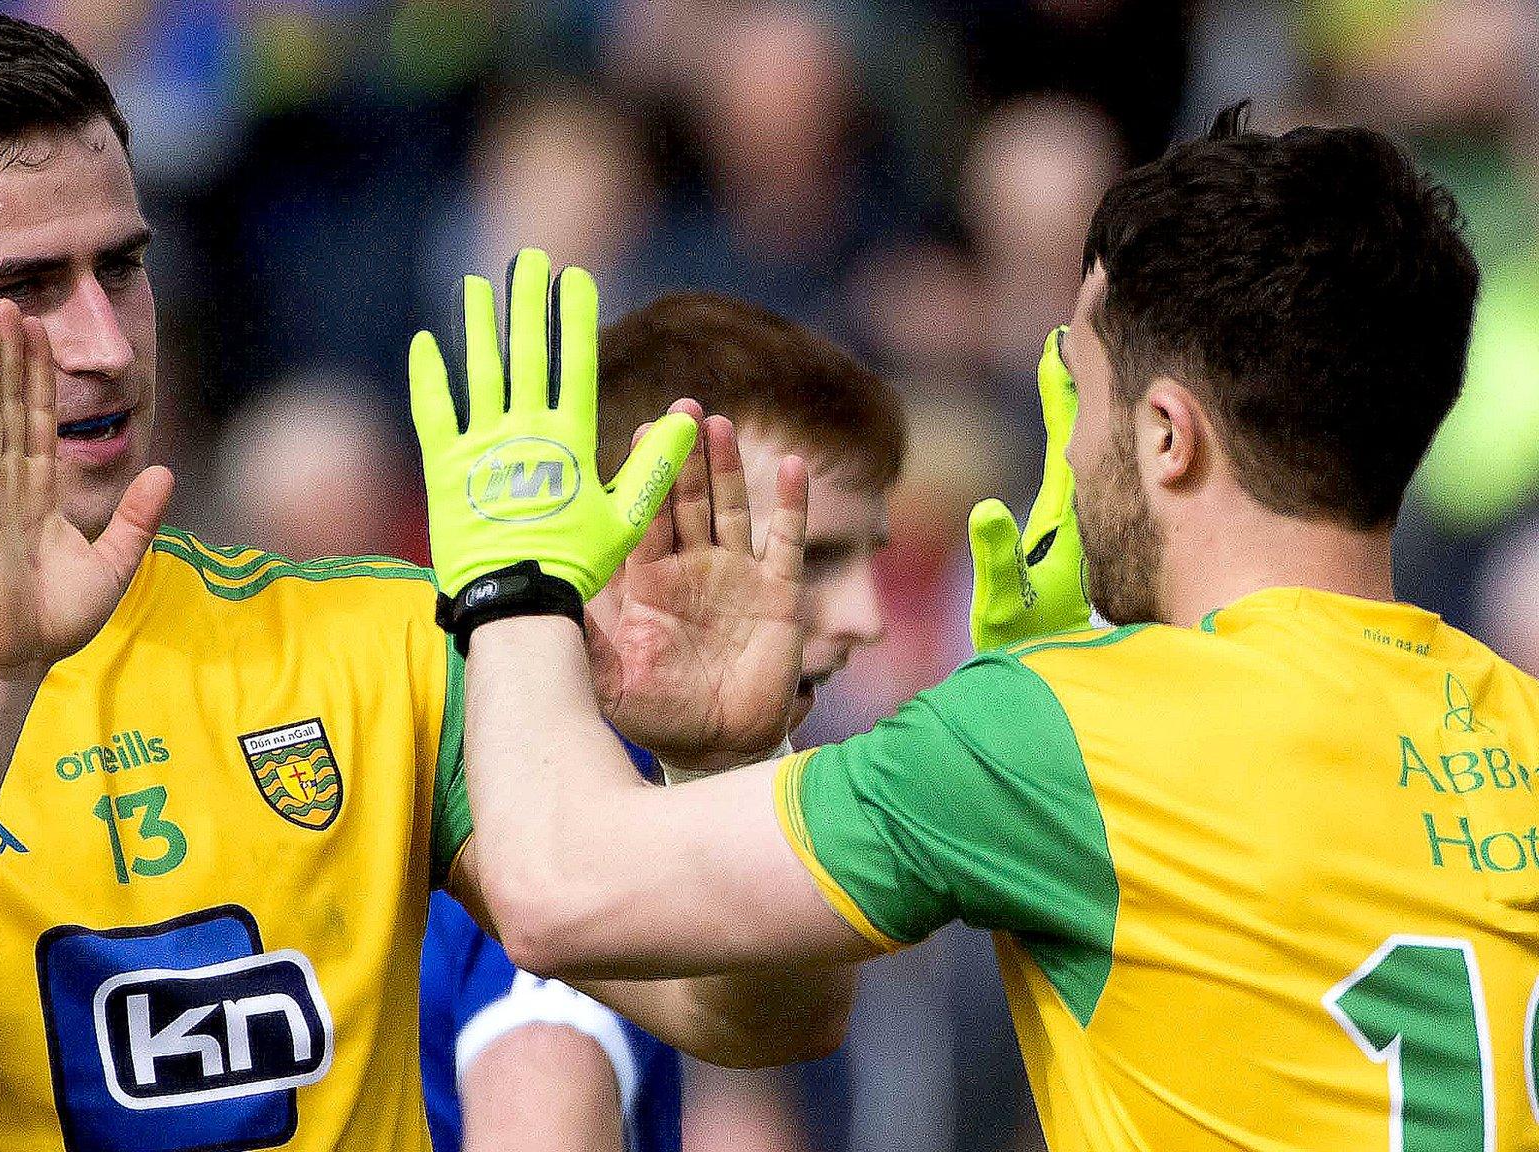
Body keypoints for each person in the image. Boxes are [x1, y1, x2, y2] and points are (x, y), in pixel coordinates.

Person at [0, 11, 847, 1152]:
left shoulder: (379, 638)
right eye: (22, 289)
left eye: (121, 267)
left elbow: (746, 1016)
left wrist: (732, 773)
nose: (101, 344)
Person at [408, 107, 1539, 1149]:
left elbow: (554, 887)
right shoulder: (1519, 723)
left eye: (1081, 392)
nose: (1067, 444)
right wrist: (728, 753)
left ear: (1164, 437)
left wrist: (516, 584)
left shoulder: (1056, 736)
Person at [418, 291, 905, 1152]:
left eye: (872, 553)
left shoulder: (608, 804)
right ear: (629, 537)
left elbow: (791, 1027)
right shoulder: (557, 849)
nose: (866, 614)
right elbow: (540, 1105)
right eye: (811, 553)